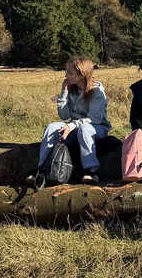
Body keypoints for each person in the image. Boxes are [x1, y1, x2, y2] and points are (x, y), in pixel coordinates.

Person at [37, 56, 111, 184]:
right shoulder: (72, 89)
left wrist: (71, 126)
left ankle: (92, 171)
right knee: (51, 127)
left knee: (84, 128)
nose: (66, 75)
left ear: (82, 74)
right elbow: (64, 115)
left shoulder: (97, 92)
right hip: (75, 127)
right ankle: (42, 169)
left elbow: (95, 119)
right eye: (66, 72)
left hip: (96, 128)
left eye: (70, 73)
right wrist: (64, 93)